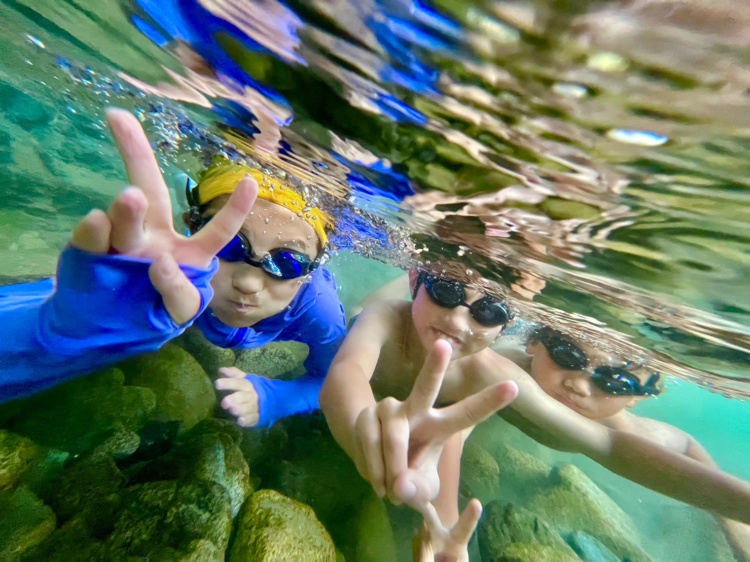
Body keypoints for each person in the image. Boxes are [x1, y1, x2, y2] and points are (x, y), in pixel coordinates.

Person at [319, 268, 750, 560]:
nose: (582, 384)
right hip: (420, 329)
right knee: (363, 310)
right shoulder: (389, 320)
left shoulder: (494, 371)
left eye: (490, 310)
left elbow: (611, 444)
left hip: (510, 387)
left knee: (658, 443)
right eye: (446, 289)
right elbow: (349, 375)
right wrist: (362, 435)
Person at [0, 108, 346, 429]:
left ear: (310, 270)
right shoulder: (173, 268)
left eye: (288, 262)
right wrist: (55, 333)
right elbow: (68, 301)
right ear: (191, 226)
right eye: (229, 246)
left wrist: (276, 398)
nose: (248, 282)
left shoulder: (318, 308)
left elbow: (331, 377)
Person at [507, 325, 750, 562]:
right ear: (534, 342)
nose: (579, 385)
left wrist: (730, 518)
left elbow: (685, 445)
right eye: (567, 356)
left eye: (615, 382)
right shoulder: (503, 362)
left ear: (636, 397)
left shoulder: (619, 427)